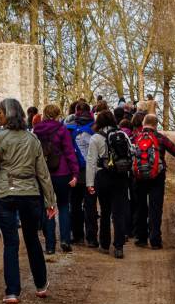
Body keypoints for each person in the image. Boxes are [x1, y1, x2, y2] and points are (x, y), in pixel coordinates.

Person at [0, 98, 57, 304]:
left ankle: (12, 291)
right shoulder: (33, 140)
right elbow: (43, 173)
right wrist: (50, 201)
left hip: (4, 195)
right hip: (30, 195)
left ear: (9, 114)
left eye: (1, 112)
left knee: (11, 243)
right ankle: (41, 285)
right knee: (32, 239)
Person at [132, 114, 175, 250]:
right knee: (155, 208)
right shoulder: (160, 138)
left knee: (140, 207)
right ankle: (155, 240)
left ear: (143, 123)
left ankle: (141, 239)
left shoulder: (135, 138)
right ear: (156, 125)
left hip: (139, 176)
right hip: (157, 177)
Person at [34, 104, 79, 254]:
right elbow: (69, 152)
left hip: (43, 174)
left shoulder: (37, 131)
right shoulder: (62, 129)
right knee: (64, 206)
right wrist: (75, 173)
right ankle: (65, 240)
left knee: (48, 207)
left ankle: (50, 245)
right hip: (62, 172)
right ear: (58, 114)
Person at [86, 109, 131, 259]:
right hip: (120, 176)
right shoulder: (123, 134)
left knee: (105, 211)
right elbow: (131, 153)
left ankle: (104, 244)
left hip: (103, 176)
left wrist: (89, 183)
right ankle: (119, 247)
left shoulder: (95, 138)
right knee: (119, 212)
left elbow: (91, 162)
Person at [66, 102, 97, 247]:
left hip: (74, 172)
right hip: (91, 171)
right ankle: (91, 238)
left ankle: (77, 235)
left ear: (76, 111)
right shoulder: (95, 127)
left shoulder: (69, 128)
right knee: (90, 205)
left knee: (75, 204)